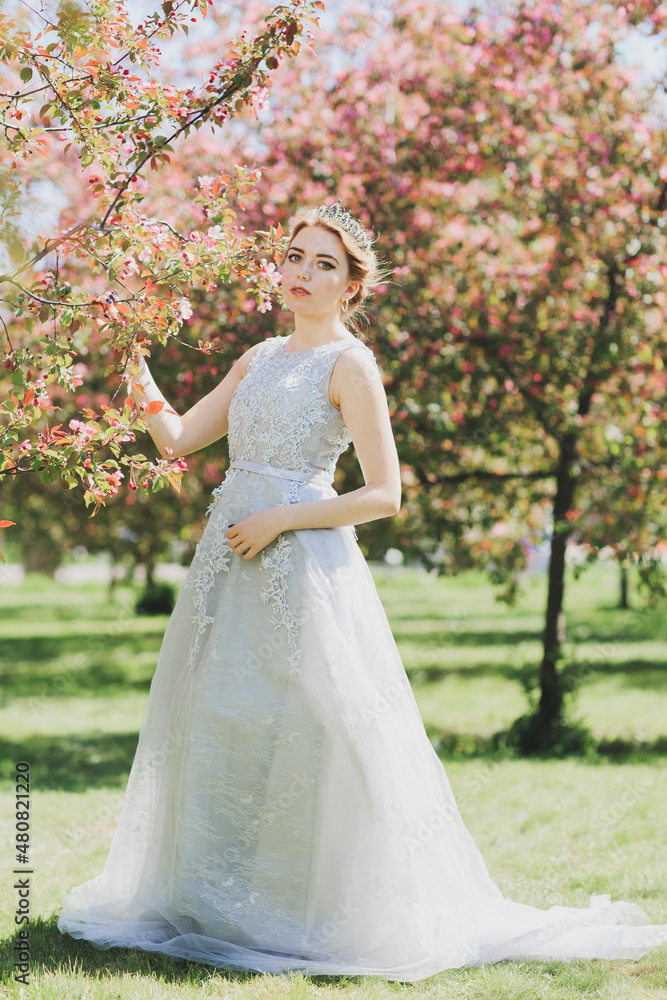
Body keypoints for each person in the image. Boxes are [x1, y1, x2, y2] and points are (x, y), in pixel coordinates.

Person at [58, 202, 667, 980]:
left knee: (317, 732)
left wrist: (281, 518)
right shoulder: (256, 356)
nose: (304, 274)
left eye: (325, 264)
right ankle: (214, 897)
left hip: (302, 563)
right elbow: (178, 439)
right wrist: (132, 369)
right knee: (219, 721)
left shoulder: (350, 366)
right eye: (295, 256)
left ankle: (316, 907)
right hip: (226, 566)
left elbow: (385, 495)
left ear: (351, 286)